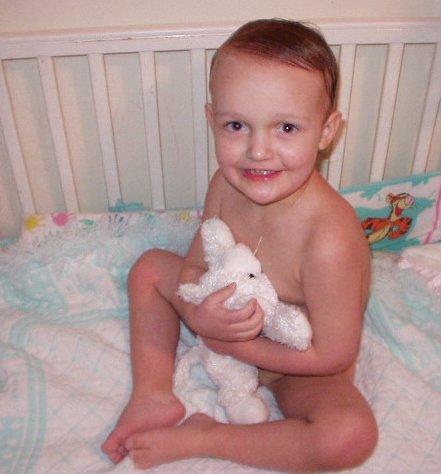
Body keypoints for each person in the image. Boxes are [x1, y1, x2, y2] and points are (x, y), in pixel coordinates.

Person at [102, 18, 378, 472]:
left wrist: (233, 346)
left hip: (294, 362)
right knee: (149, 267)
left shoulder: (329, 240)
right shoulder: (225, 186)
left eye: (286, 128)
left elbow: (333, 354)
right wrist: (199, 312)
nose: (258, 151)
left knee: (348, 437)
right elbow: (194, 268)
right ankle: (152, 394)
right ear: (211, 120)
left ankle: (210, 437)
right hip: (224, 325)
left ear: (327, 131)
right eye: (237, 125)